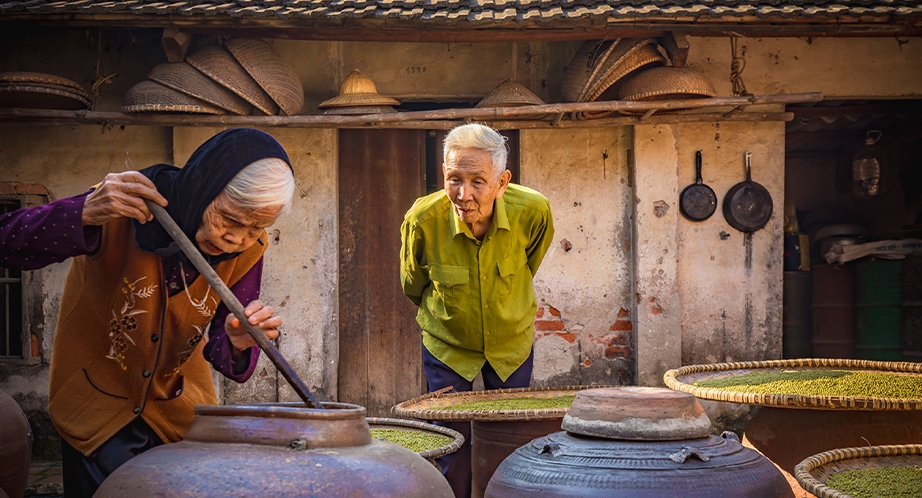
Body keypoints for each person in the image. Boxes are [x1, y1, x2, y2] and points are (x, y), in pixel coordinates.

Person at [0, 128, 295, 498]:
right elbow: (7, 243)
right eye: (230, 219)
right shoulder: (122, 206)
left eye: (257, 227)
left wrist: (238, 339)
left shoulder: (248, 248)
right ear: (204, 187)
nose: (238, 238)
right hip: (95, 407)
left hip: (177, 414)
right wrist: (83, 213)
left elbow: (224, 344)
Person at [399, 123, 554, 497]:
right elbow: (412, 284)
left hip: (510, 345)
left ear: (502, 182)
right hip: (448, 346)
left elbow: (531, 262)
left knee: (509, 445)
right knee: (452, 446)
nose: (463, 194)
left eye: (478, 182)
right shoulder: (422, 220)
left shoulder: (532, 211)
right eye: (454, 179)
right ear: (444, 175)